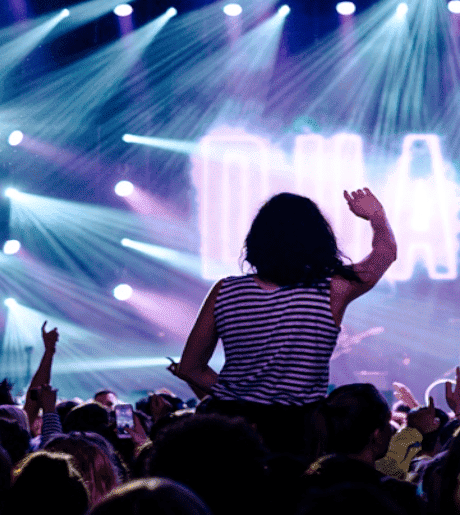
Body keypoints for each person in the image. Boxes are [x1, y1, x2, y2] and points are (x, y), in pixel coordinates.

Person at [170, 189, 396, 452]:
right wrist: (376, 216)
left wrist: (236, 396)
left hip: (229, 427)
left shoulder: (225, 290)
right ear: (318, 240)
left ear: (257, 241)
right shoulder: (332, 290)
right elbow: (385, 253)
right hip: (297, 429)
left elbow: (189, 368)